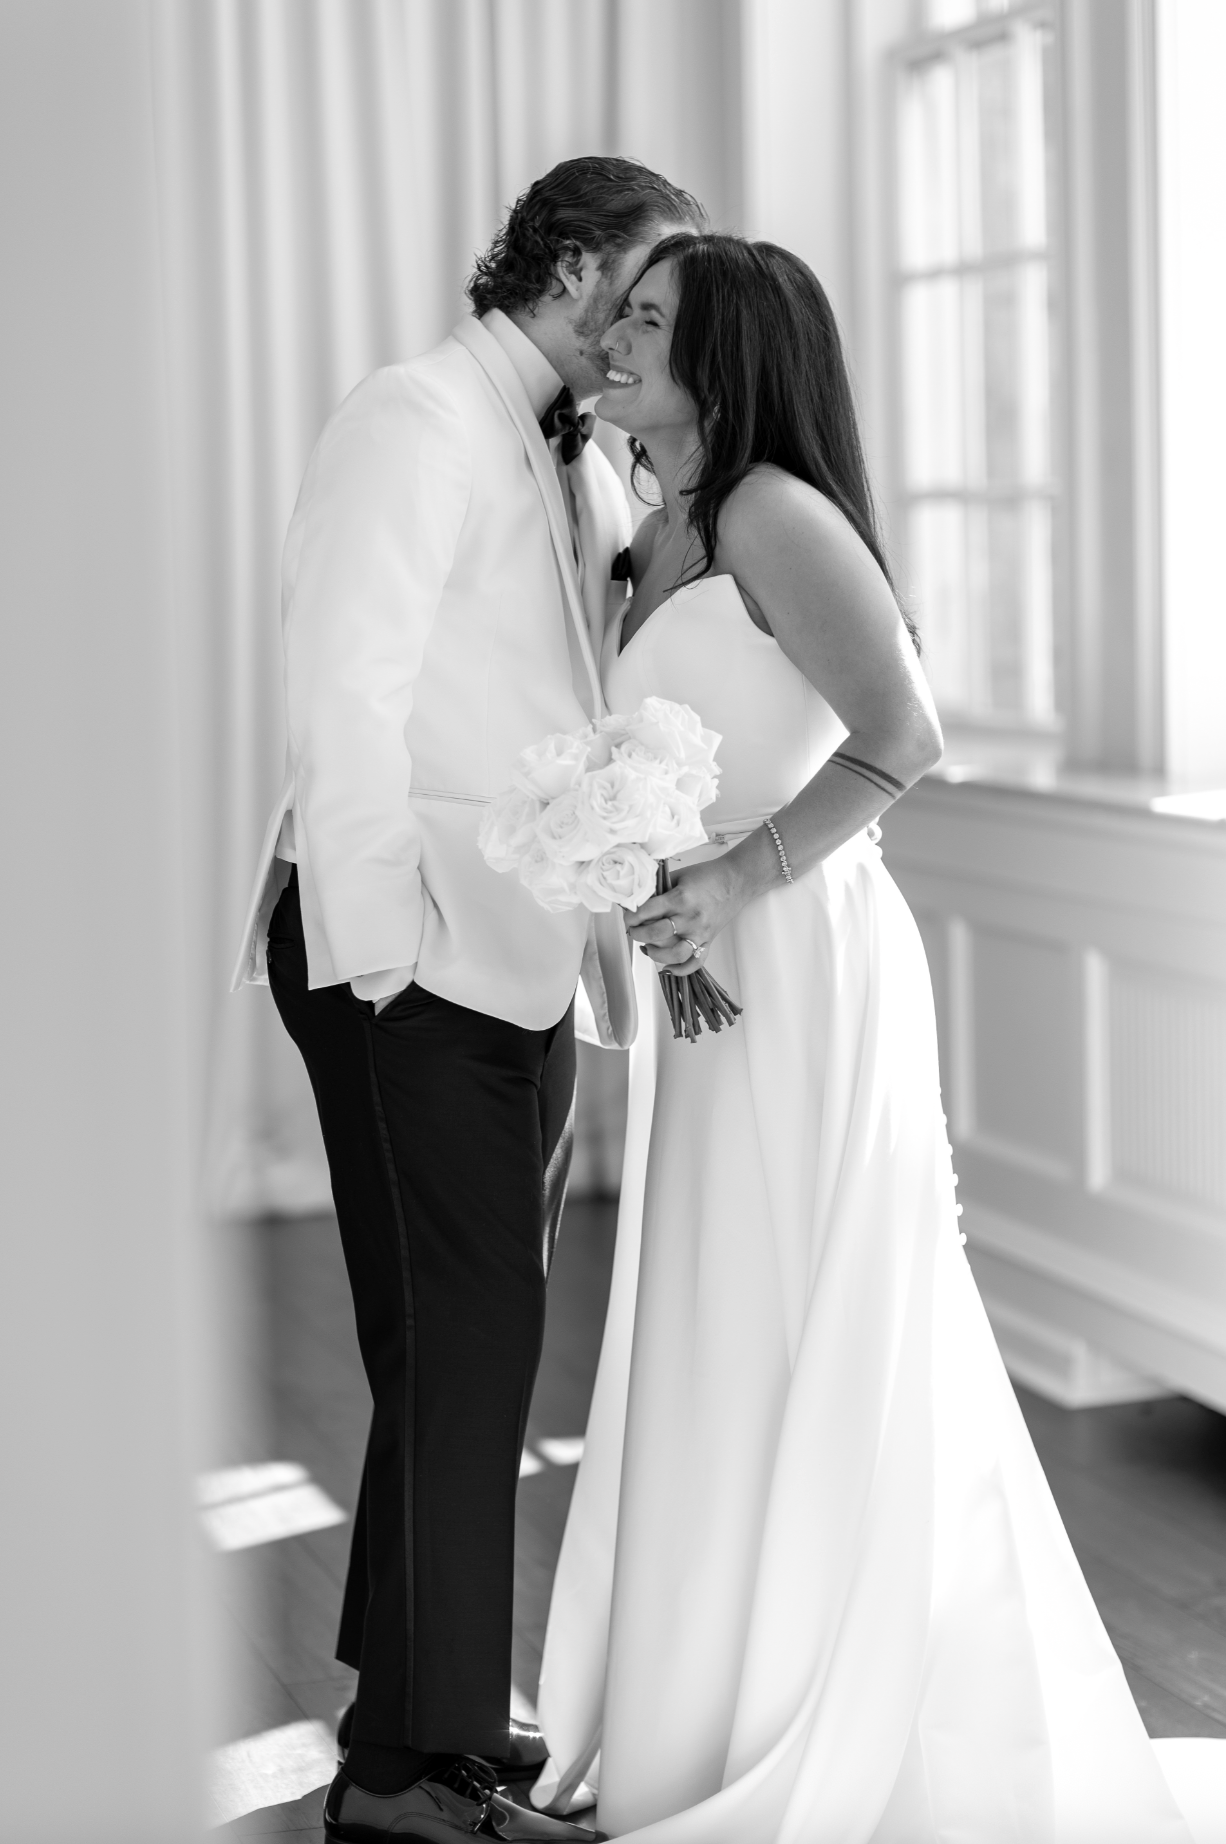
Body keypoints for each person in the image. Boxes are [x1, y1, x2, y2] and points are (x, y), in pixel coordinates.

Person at [532, 233, 1226, 1841]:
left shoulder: (774, 513)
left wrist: (728, 874)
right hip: (707, 965)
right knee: (718, 1325)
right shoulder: (655, 524)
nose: (613, 340)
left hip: (803, 957)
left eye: (648, 322)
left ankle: (835, 1716)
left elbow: (897, 738)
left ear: (734, 360)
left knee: (811, 1315)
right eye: (615, 314)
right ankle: (696, 1716)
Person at [230, 158, 704, 1844]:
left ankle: (416, 1721)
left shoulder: (574, 454)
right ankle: (402, 1781)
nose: (654, 321)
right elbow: (340, 698)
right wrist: (376, 965)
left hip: (513, 957)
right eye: (640, 288)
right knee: (469, 1342)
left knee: (457, 1357)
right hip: (402, 951)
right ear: (566, 266)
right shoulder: (412, 417)